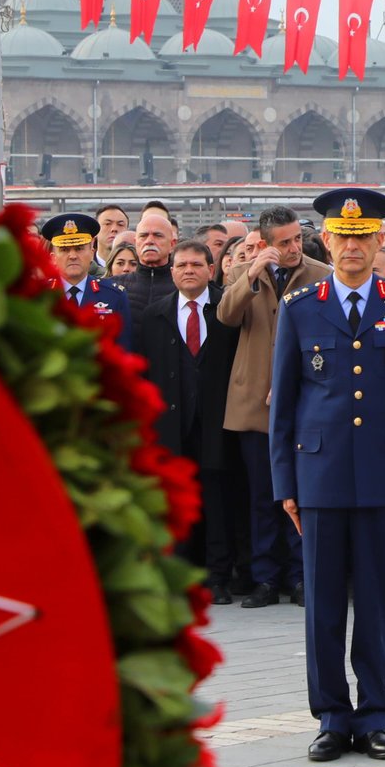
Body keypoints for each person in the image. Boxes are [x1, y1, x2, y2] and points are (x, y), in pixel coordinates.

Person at [271, 189, 385, 763]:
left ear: (378, 242)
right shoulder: (300, 307)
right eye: (342, 238)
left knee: (373, 600)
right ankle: (330, 718)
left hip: (382, 472)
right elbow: (284, 407)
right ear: (327, 240)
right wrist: (285, 485)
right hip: (318, 475)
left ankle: (374, 716)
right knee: (321, 603)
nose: (352, 247)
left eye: (363, 237)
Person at [220, 205, 332, 608]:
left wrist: (294, 384)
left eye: (297, 239)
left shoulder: (320, 274)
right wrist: (251, 273)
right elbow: (226, 316)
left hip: (305, 403)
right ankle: (265, 578)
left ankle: (301, 576)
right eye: (283, 243)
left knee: (300, 493)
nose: (293, 248)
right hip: (253, 403)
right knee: (261, 495)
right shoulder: (243, 273)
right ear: (265, 244)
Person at [136, 239, 241, 601]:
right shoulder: (154, 314)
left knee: (218, 503)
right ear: (172, 271)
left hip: (216, 423)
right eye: (181, 266)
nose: (189, 271)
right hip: (171, 427)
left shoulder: (227, 310)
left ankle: (217, 577)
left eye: (197, 265)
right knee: (175, 504)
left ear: (211, 270)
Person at [42, 215, 133, 338]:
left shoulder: (114, 295)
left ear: (91, 253)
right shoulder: (40, 295)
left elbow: (123, 349)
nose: (73, 256)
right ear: (53, 257)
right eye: (64, 250)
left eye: (79, 249)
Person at [121, 206, 180, 324]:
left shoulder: (184, 287)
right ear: (135, 242)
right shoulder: (115, 287)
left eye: (158, 235)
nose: (149, 241)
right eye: (143, 236)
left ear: (172, 244)